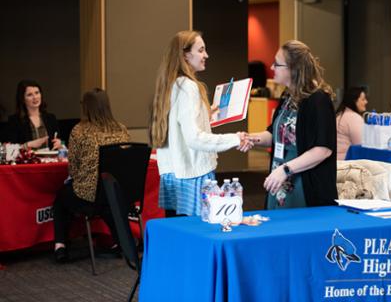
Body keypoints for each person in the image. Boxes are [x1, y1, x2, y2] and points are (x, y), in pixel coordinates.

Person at [149, 30, 248, 217]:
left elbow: (177, 126)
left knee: (179, 236)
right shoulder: (188, 87)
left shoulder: (170, 84)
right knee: (197, 236)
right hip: (191, 175)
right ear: (186, 55)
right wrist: (235, 139)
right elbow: (194, 139)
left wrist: (205, 113)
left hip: (173, 175)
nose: (206, 55)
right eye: (201, 50)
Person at [243, 40, 337, 209]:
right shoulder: (288, 96)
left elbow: (323, 149)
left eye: (277, 64)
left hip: (305, 186)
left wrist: (286, 170)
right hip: (279, 181)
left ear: (293, 69)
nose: (271, 68)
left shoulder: (318, 100)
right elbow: (274, 134)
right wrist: (251, 138)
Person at [52, 88, 130, 263]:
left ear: (86, 107)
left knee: (61, 198)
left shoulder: (79, 131)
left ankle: (61, 246)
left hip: (89, 196)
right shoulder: (122, 129)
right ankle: (123, 241)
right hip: (116, 195)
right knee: (105, 202)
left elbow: (73, 168)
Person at [6, 79, 61, 149]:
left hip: (50, 159)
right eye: (29, 95)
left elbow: (59, 142)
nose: (35, 97)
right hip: (27, 159)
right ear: (22, 99)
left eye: (37, 93)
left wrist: (60, 144)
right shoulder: (14, 121)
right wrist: (28, 145)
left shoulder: (51, 118)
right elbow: (9, 149)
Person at [336, 86, 368, 160]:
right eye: (363, 99)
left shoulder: (340, 115)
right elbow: (360, 145)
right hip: (346, 162)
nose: (366, 102)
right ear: (354, 101)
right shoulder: (354, 118)